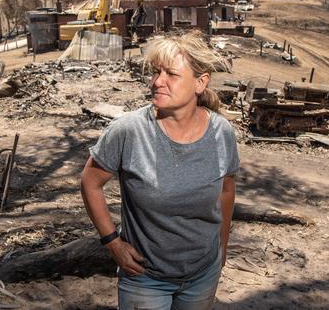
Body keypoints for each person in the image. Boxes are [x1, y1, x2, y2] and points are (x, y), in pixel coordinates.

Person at [81, 31, 240, 310]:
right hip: (145, 277)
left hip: (203, 274)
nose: (157, 82)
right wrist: (112, 242)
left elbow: (226, 191)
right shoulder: (128, 131)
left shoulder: (221, 133)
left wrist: (222, 247)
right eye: (156, 73)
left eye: (171, 74)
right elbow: (90, 183)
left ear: (200, 83)